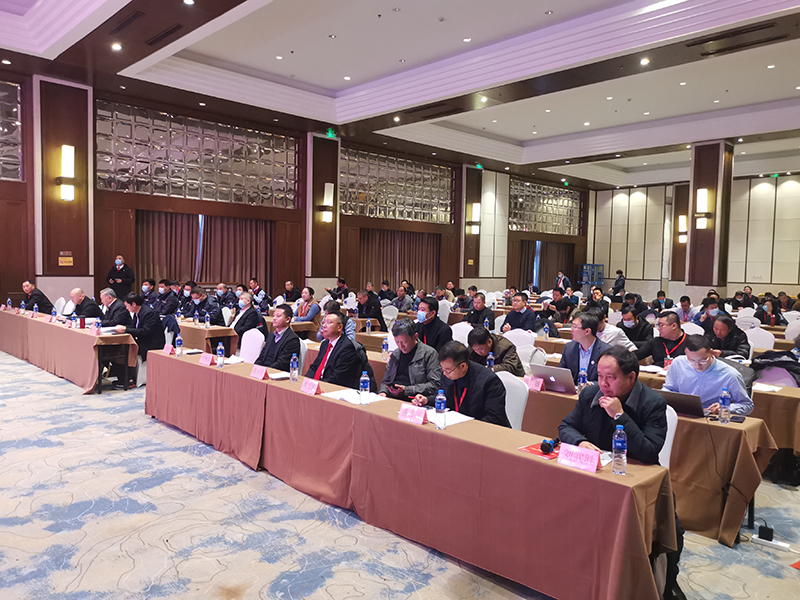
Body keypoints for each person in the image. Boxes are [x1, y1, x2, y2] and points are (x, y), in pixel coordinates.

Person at [559, 346, 667, 463]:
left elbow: (649, 452)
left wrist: (619, 416)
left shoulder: (653, 403)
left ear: (631, 377)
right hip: (597, 464)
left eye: (610, 377)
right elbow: (566, 427)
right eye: (600, 376)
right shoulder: (590, 394)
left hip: (633, 466)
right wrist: (580, 442)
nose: (603, 383)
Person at [411, 341, 511, 427]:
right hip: (456, 428)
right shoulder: (448, 374)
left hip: (484, 432)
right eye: (442, 369)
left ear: (463, 366)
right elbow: (447, 398)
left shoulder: (489, 381)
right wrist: (427, 400)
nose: (444, 373)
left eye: (448, 370)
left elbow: (494, 418)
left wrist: (466, 427)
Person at [663, 335, 753, 414]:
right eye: (692, 360)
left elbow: (747, 405)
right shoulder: (678, 363)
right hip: (682, 414)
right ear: (686, 352)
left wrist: (725, 407)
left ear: (711, 353)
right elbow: (668, 389)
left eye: (703, 360)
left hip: (712, 417)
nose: (697, 365)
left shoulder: (730, 375)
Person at [379, 320, 441, 401]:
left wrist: (407, 390)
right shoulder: (396, 354)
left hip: (415, 399)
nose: (400, 346)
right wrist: (383, 392)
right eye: (397, 342)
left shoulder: (429, 354)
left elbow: (435, 384)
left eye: (404, 342)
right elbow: (386, 381)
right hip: (392, 397)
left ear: (415, 336)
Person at [113, 293, 166, 388]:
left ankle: (129, 379)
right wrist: (123, 327)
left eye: (127, 306)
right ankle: (123, 378)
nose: (126, 309)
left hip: (151, 343)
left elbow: (145, 331)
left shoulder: (149, 313)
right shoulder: (138, 313)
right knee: (116, 347)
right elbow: (134, 327)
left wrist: (126, 329)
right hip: (142, 340)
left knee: (123, 349)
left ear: (133, 304)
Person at [305, 312, 361, 389]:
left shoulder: (347, 347)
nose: (324, 326)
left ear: (339, 327)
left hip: (333, 388)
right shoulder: (325, 344)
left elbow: (338, 377)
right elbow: (314, 367)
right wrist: (306, 382)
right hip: (319, 384)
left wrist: (318, 387)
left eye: (329, 322)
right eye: (323, 322)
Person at [559, 311, 611, 383]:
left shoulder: (606, 351)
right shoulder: (569, 347)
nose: (571, 330)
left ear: (587, 331)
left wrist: (591, 385)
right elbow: (561, 373)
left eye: (575, 327)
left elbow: (607, 380)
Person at [255, 304, 301, 371]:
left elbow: (282, 363)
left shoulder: (292, 340)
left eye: (278, 316)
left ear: (288, 319)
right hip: (264, 370)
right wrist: (255, 368)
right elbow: (261, 357)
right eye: (274, 315)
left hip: (276, 373)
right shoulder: (271, 336)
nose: (274, 318)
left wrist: (265, 371)